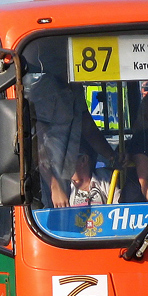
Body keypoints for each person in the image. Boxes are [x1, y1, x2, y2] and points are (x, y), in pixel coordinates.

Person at [23, 69, 117, 208]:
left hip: (68, 172)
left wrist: (112, 156)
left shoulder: (74, 87)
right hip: (47, 176)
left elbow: (88, 128)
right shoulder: (46, 89)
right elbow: (37, 141)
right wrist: (54, 185)